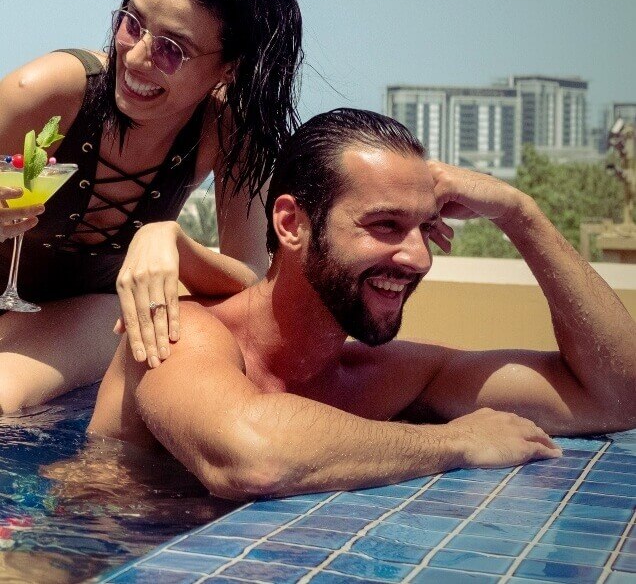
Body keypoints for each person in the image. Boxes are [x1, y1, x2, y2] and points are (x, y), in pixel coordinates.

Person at [89, 108, 636, 498]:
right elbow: (251, 456)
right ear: (291, 224)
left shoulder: (386, 376)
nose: (418, 257)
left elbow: (615, 396)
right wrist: (452, 442)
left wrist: (521, 214)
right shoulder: (175, 327)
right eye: (385, 225)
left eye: (424, 227)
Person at [0, 0, 303, 413]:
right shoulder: (43, 92)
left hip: (86, 320)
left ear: (229, 67)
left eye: (172, 48)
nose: (138, 57)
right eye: (132, 24)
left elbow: (252, 281)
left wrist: (174, 242)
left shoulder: (229, 132)